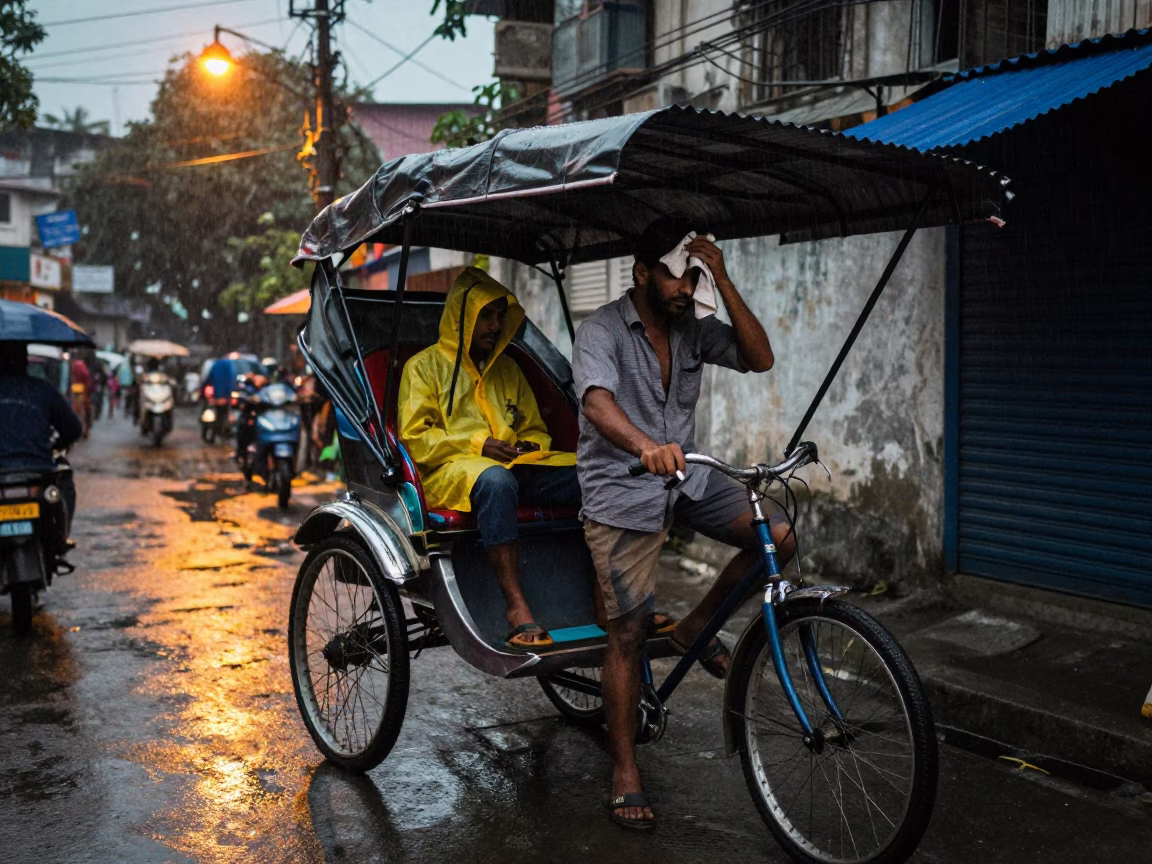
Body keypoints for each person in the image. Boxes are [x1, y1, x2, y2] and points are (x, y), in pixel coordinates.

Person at [572, 218, 797, 829]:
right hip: (620, 490)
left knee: (777, 536)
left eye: (693, 276)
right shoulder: (601, 330)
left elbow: (760, 357)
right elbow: (596, 400)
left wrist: (721, 276)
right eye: (678, 274)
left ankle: (695, 628)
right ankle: (624, 770)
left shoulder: (692, 328)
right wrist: (643, 444)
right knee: (628, 630)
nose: (685, 287)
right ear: (642, 271)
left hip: (685, 478)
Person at [398, 267, 581, 649]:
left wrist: (530, 445)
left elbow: (533, 427)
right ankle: (516, 606)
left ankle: (606, 595)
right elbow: (416, 438)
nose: (496, 326)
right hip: (452, 473)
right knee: (496, 480)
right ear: (464, 318)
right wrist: (480, 445)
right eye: (487, 315)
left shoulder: (509, 368)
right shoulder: (424, 367)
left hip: (515, 467)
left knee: (591, 475)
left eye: (501, 316)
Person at [0, 341, 83, 544]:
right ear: (25, 362)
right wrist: (57, 445)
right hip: (39, 472)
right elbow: (74, 429)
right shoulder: (43, 390)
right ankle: (61, 537)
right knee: (64, 477)